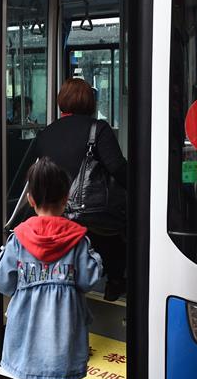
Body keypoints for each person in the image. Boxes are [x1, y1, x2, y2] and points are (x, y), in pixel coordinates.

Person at [0, 157, 103, 379]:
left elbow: (2, 282)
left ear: (30, 199)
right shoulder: (78, 239)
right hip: (62, 328)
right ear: (66, 198)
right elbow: (90, 279)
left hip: (26, 325)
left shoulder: (19, 238)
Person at [32, 77, 128, 301]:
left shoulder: (45, 134)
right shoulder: (98, 129)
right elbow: (116, 167)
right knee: (119, 227)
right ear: (89, 102)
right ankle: (115, 282)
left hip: (58, 211)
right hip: (93, 213)